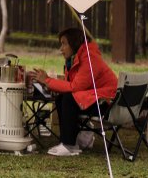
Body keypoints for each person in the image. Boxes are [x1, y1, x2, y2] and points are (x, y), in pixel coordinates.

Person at [34, 26, 118, 157]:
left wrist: (48, 81)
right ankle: (67, 142)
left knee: (68, 98)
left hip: (107, 104)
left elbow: (75, 87)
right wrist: (48, 84)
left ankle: (69, 144)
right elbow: (71, 85)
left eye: (64, 44)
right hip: (93, 99)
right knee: (62, 98)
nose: (61, 49)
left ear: (74, 43)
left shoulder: (90, 58)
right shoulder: (75, 59)